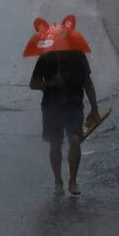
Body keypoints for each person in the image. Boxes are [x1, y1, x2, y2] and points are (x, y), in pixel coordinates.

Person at [29, 50, 100, 195]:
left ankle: (73, 181)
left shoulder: (79, 56)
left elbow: (87, 82)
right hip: (51, 107)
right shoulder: (46, 57)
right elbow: (33, 84)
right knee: (56, 144)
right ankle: (58, 180)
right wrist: (51, 83)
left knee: (75, 141)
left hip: (73, 105)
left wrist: (94, 108)